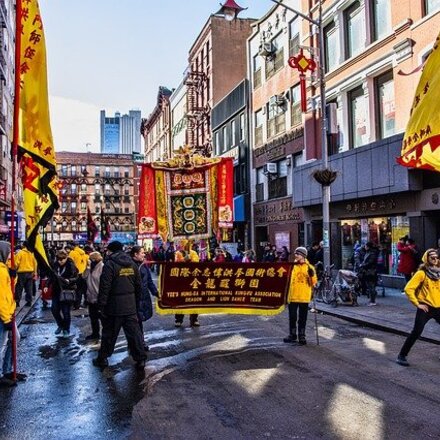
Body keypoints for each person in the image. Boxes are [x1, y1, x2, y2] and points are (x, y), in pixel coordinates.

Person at [93, 241, 148, 370]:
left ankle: (103, 359)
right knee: (135, 335)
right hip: (130, 307)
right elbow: (138, 286)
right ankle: (140, 359)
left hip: (114, 308)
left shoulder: (110, 264)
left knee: (109, 335)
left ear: (111, 251)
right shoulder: (132, 264)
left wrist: (101, 306)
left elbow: (105, 287)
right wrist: (135, 302)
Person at [396, 249, 440, 366]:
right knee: (417, 332)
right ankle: (402, 355)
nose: (435, 260)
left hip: (438, 307)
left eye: (437, 257)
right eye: (432, 258)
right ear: (426, 259)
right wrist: (417, 304)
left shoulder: (439, 273)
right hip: (425, 307)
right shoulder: (422, 273)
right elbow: (408, 288)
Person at [283, 247, 317, 345]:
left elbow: (313, 283)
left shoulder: (310, 267)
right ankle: (292, 335)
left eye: (298, 254)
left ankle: (302, 336)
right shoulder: (291, 266)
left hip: (304, 296)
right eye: (295, 254)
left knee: (302, 318)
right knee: (292, 317)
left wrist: (311, 275)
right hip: (292, 296)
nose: (296, 255)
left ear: (303, 255)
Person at [130, 246, 158, 350]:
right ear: (135, 254)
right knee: (135, 322)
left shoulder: (144, 265)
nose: (144, 254)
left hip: (143, 297)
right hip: (133, 299)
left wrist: (156, 293)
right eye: (142, 253)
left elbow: (149, 281)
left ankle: (139, 343)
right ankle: (138, 344)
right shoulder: (130, 266)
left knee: (139, 321)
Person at [0, 241, 20, 387]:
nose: (10, 255)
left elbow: (9, 287)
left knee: (14, 339)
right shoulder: (0, 271)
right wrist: (6, 318)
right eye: (8, 252)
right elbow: (1, 296)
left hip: (8, 311)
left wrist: (13, 275)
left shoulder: (3, 269)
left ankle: (7, 369)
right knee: (1, 344)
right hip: (3, 314)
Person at [50, 250, 78, 338]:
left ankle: (66, 329)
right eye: (59, 259)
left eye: (62, 259)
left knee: (66, 312)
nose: (60, 261)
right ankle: (60, 325)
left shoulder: (71, 265)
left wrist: (69, 280)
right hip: (56, 291)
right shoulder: (55, 265)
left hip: (67, 291)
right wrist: (46, 285)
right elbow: (51, 275)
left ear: (66, 258)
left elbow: (77, 277)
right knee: (54, 310)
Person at [174, 243, 200, 328]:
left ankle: (194, 319)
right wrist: (186, 259)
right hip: (181, 280)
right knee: (180, 300)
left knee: (194, 300)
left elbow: (196, 263)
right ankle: (178, 320)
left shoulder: (194, 253)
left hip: (192, 279)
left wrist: (189, 258)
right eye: (183, 243)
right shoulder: (178, 253)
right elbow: (177, 264)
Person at [82, 251, 104, 341]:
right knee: (93, 318)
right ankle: (95, 334)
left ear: (94, 259)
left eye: (90, 259)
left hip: (99, 296)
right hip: (90, 296)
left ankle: (106, 335)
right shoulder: (90, 267)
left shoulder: (102, 267)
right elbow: (84, 277)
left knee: (102, 318)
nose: (89, 260)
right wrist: (87, 268)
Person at [13, 241, 37, 307]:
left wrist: (14, 268)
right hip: (30, 272)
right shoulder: (31, 254)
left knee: (19, 287)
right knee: (29, 288)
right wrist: (35, 272)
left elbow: (16, 263)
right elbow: (35, 264)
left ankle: (17, 302)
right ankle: (29, 301)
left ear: (23, 246)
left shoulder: (20, 253)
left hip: (21, 273)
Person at [68, 243, 89, 309]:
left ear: (73, 246)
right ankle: (79, 304)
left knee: (74, 289)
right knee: (81, 290)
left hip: (75, 274)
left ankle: (74, 305)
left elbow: (69, 263)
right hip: (84, 274)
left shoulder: (72, 253)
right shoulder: (85, 255)